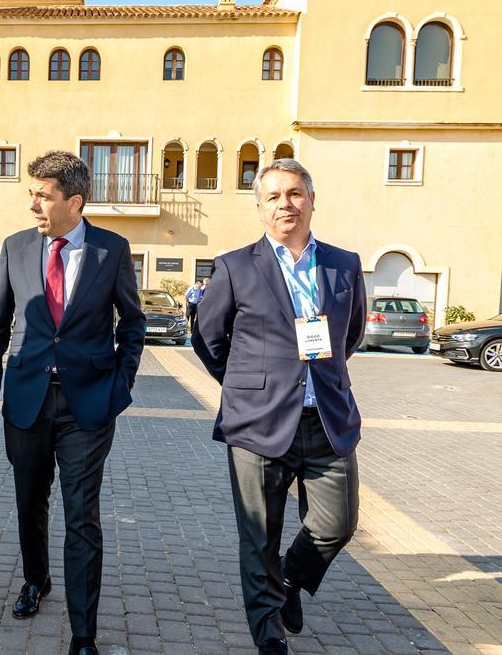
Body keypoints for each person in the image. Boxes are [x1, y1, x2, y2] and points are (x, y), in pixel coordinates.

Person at [192, 159, 367, 655]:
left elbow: (348, 334)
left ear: (312, 200)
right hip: (257, 425)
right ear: (259, 208)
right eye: (273, 196)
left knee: (337, 524)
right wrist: (251, 386)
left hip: (326, 419)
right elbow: (209, 339)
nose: (285, 204)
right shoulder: (234, 266)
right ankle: (268, 636)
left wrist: (314, 378)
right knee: (258, 537)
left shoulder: (344, 263)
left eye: (294, 193)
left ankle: (290, 580)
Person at [0, 151, 146, 655]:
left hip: (86, 407)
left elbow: (132, 323)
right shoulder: (15, 248)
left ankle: (83, 633)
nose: (34, 205)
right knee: (30, 500)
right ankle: (36, 579)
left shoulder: (111, 250)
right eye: (32, 194)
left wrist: (120, 386)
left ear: (73, 202)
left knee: (81, 515)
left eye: (43, 196)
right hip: (26, 402)